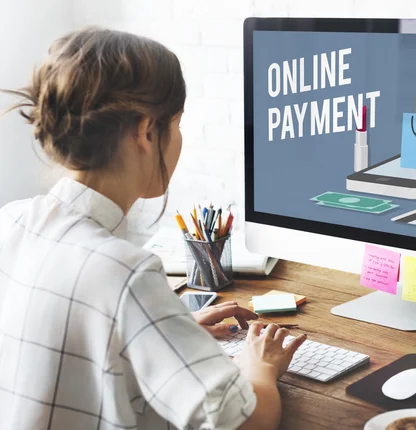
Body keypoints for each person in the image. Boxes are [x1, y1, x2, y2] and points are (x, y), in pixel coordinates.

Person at [0, 27, 306, 430]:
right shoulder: (125, 272)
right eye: (176, 124)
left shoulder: (11, 220)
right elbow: (247, 421)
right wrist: (259, 366)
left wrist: (164, 330)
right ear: (146, 132)